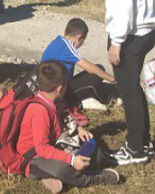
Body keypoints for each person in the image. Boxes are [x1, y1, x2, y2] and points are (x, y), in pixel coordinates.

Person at [88, 0, 155, 165]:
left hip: (129, 35)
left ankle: (136, 149)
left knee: (128, 91)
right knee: (133, 90)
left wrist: (116, 42)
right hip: (143, 30)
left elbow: (123, 5)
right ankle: (143, 143)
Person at [16, 61, 119, 192]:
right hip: (34, 157)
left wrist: (79, 129)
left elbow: (64, 119)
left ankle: (49, 175)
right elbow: (42, 148)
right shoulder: (39, 112)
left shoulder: (55, 100)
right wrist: (71, 160)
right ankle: (92, 178)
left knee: (96, 151)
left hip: (55, 145)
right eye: (66, 85)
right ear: (59, 89)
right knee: (64, 169)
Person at [40, 18, 117, 110]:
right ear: (79, 38)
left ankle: (85, 98)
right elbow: (90, 68)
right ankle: (107, 101)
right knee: (94, 79)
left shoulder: (58, 41)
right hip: (57, 92)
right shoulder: (67, 47)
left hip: (54, 85)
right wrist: (112, 79)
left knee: (99, 68)